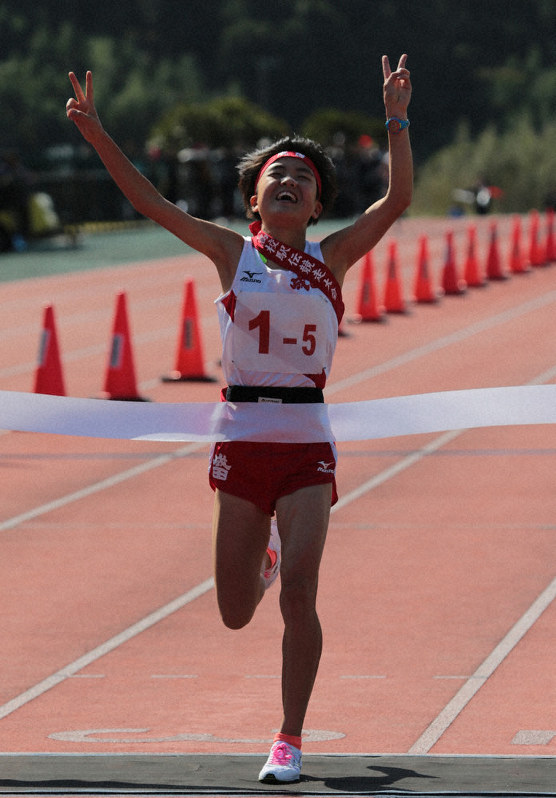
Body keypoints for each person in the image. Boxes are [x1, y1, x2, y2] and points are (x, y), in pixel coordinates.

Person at [66, 54, 412, 783]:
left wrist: (397, 117)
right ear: (255, 199)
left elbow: (398, 197)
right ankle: (260, 560)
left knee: (302, 594)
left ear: (317, 206)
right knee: (233, 612)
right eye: (276, 176)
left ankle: (288, 738)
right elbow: (154, 205)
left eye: (304, 179)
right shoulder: (232, 253)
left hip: (308, 444)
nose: (290, 181)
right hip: (242, 441)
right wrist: (98, 137)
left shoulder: (334, 258)